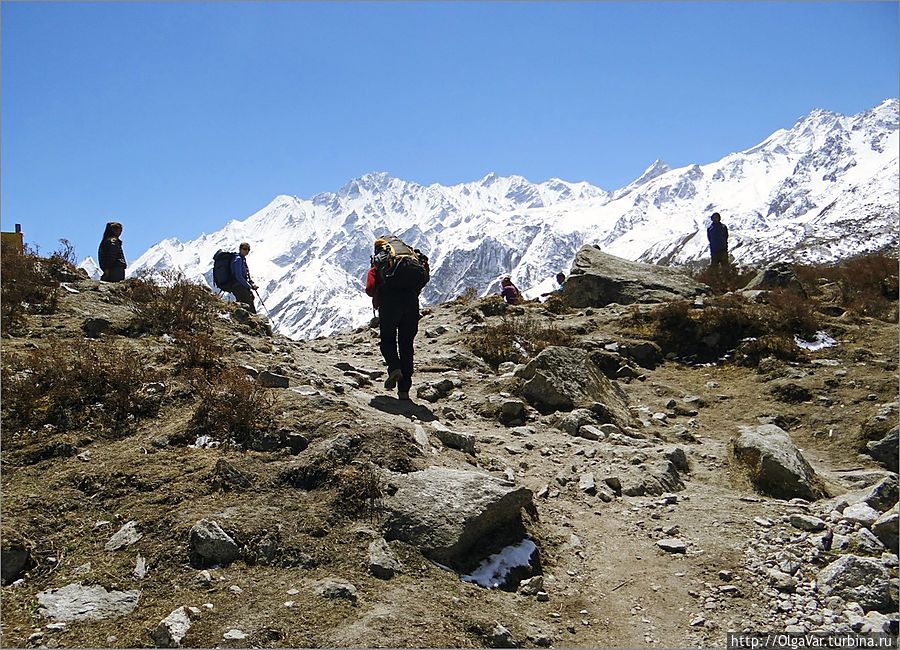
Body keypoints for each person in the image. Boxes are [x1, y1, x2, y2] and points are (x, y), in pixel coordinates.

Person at [365, 237, 429, 401]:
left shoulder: (380, 262)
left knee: (387, 340)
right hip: (411, 302)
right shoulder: (412, 258)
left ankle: (394, 368)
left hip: (389, 303)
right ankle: (404, 391)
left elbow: (370, 289)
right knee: (406, 345)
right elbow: (424, 278)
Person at [225, 242, 258, 313]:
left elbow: (245, 275)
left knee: (246, 302)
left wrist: (251, 284)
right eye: (245, 249)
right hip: (238, 286)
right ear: (240, 249)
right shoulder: (238, 259)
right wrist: (248, 286)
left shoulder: (242, 259)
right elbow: (238, 276)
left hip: (238, 286)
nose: (247, 251)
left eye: (248, 249)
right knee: (249, 305)